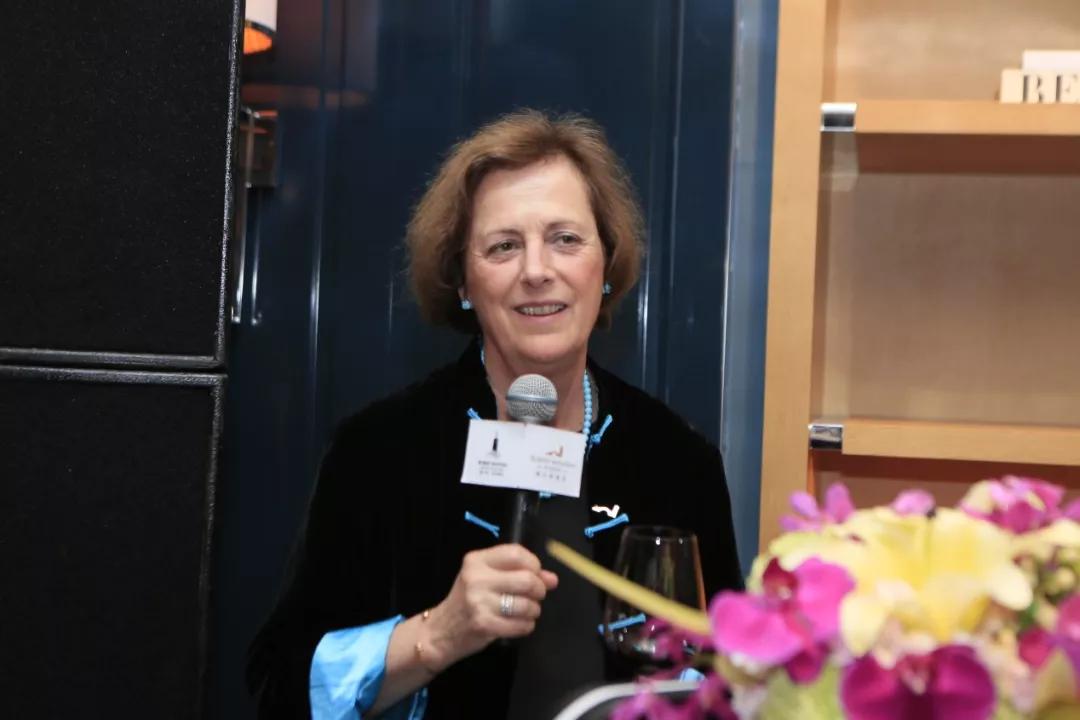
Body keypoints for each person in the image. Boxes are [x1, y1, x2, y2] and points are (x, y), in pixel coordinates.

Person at [246, 109, 743, 719]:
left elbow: (730, 681)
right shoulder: (379, 451)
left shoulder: (679, 460)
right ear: (462, 282)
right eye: (504, 246)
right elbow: (282, 689)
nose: (537, 271)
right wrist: (437, 634)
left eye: (565, 239)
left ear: (605, 267)